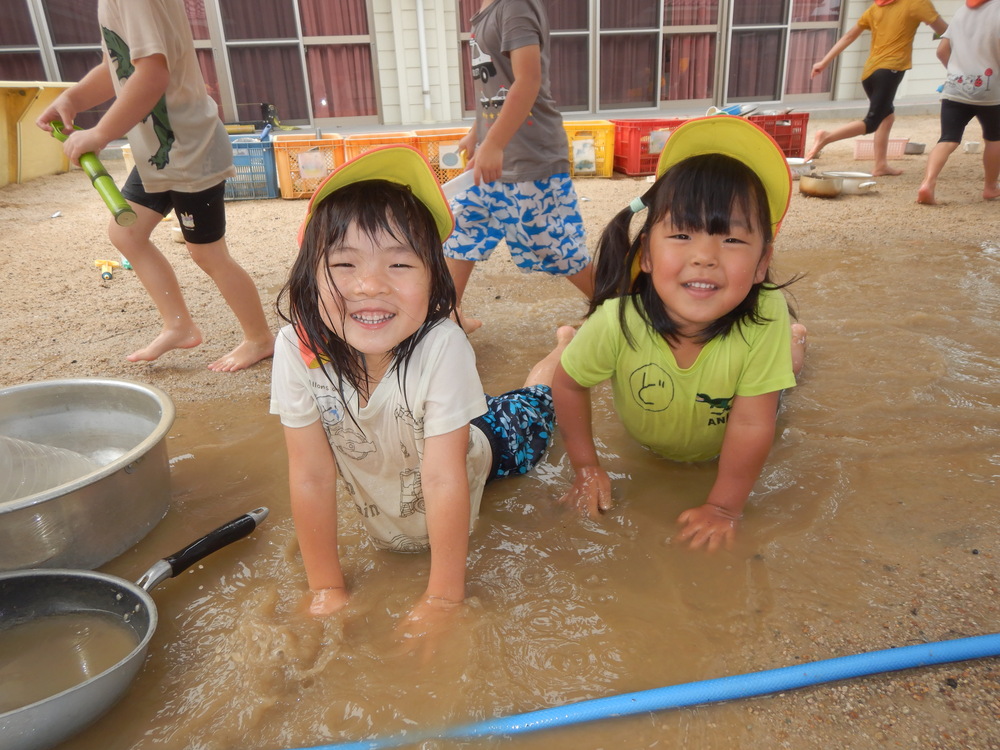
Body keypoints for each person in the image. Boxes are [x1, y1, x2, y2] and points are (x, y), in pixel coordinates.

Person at [270, 144, 573, 634]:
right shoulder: (295, 349)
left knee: (538, 403)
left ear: (436, 284)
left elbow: (443, 478)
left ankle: (560, 349)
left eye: (400, 264)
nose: (370, 285)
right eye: (344, 265)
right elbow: (310, 476)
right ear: (309, 277)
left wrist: (443, 598)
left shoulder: (444, 343)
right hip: (430, 421)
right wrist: (325, 588)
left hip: (482, 446)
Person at [552, 116, 808, 553]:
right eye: (683, 234)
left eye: (730, 240)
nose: (704, 257)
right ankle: (567, 341)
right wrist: (586, 467)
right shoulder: (618, 320)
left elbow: (751, 421)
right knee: (572, 357)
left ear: (763, 263)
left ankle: (796, 339)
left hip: (752, 384)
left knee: (787, 373)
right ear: (647, 253)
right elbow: (568, 382)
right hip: (647, 406)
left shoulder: (764, 313)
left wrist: (725, 508)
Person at [36, 0, 274, 372]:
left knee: (209, 255)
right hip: (160, 150)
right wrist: (72, 98)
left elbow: (152, 75)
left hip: (189, 149)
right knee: (127, 235)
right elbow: (117, 66)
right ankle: (179, 325)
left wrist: (100, 133)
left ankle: (260, 339)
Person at [444, 0, 595, 332]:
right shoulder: (485, 12)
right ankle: (448, 314)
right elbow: (494, 90)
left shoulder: (514, 6)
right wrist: (478, 133)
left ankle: (613, 307)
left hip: (532, 157)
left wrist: (495, 142)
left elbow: (527, 81)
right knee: (462, 225)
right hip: (496, 156)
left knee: (555, 244)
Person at [805, 0, 948, 177]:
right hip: (890, 71)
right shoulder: (916, 3)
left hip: (869, 74)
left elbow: (849, 35)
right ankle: (827, 136)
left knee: (886, 118)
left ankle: (881, 165)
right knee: (872, 122)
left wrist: (824, 61)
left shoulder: (875, 8)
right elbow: (946, 31)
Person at [917, 0, 1000, 204]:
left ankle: (928, 183)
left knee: (947, 139)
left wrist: (956, 73)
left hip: (955, 86)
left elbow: (941, 51)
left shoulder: (962, 11)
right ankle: (990, 187)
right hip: (990, 89)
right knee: (994, 138)